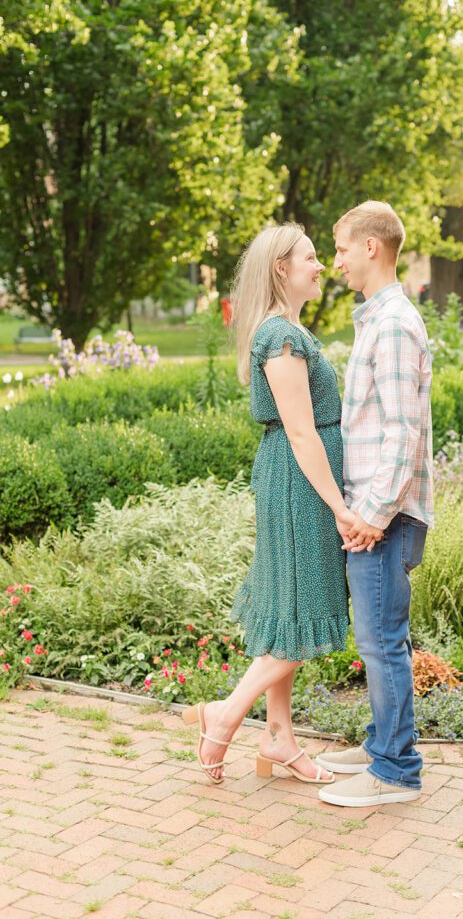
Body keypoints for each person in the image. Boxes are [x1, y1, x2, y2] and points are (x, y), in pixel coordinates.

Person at [181, 222, 373, 785]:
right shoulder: (280, 337)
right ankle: (225, 717)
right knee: (299, 613)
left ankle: (279, 737)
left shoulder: (287, 330)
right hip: (300, 483)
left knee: (290, 609)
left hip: (295, 479)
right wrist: (340, 507)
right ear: (281, 269)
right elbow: (301, 433)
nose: (321, 266)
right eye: (311, 257)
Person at [316, 201, 434, 808]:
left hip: (381, 517)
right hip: (375, 513)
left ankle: (395, 772)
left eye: (339, 248)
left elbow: (402, 432)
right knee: (380, 639)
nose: (334, 260)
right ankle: (381, 744)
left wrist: (373, 515)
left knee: (382, 641)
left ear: (371, 247)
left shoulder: (391, 324)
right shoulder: (380, 318)